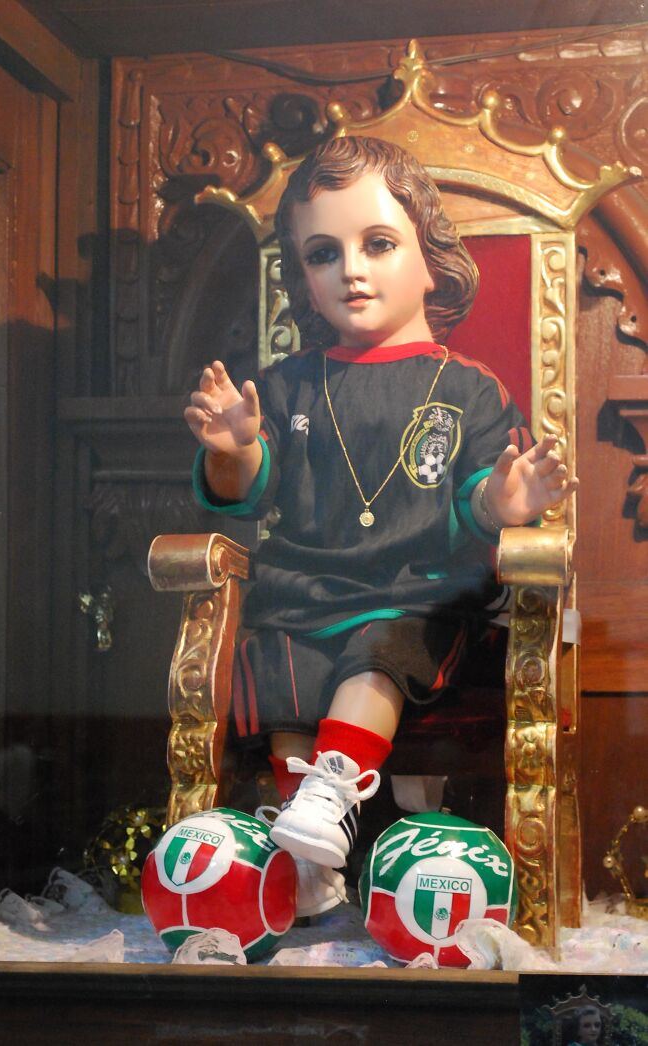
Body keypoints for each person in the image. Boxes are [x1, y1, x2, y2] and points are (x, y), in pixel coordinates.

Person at [185, 135, 577, 916]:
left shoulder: (465, 388)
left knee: (378, 646)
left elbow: (472, 499)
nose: (351, 270)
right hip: (301, 591)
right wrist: (232, 453)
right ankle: (308, 851)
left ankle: (331, 792)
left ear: (431, 260)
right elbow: (251, 490)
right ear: (302, 277)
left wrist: (504, 504)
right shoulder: (289, 385)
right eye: (323, 254)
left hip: (415, 594)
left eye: (379, 243)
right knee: (278, 658)